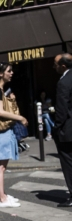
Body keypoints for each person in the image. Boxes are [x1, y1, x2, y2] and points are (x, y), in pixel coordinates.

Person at [0, 63, 27, 208]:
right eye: (9, 71)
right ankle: (2, 199)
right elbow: (0, 112)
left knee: (2, 166)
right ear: (1, 74)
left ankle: (2, 195)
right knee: (0, 167)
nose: (12, 73)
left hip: (3, 133)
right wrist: (20, 118)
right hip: (2, 133)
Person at [53, 53, 72, 207]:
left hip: (68, 130)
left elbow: (62, 109)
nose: (54, 67)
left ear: (63, 66)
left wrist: (56, 127)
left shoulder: (63, 82)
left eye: (56, 64)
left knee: (68, 163)